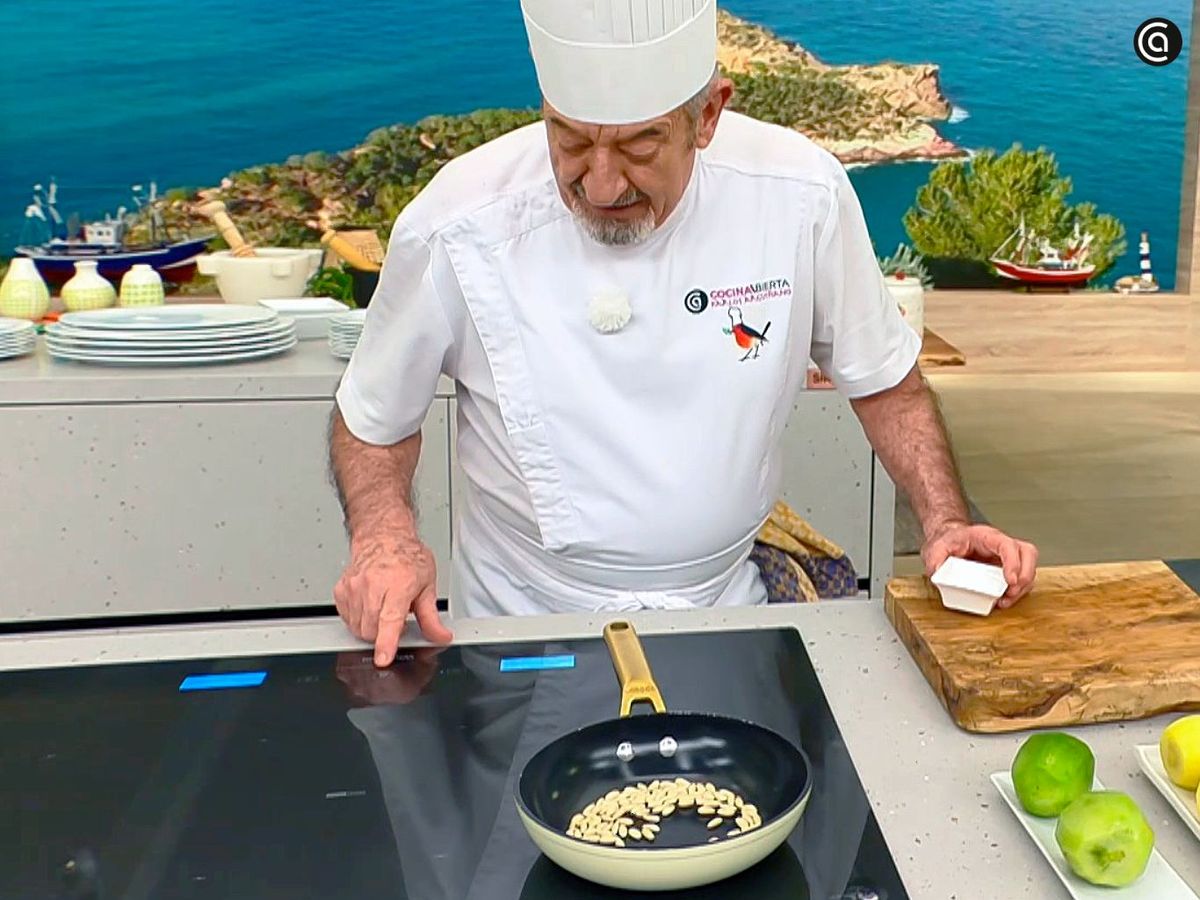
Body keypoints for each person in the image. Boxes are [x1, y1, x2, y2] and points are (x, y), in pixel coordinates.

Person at [329, 0, 1039, 666]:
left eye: (640, 145)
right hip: (528, 623)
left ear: (708, 115)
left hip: (731, 610)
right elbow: (371, 418)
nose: (601, 185)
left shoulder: (801, 193)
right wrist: (385, 540)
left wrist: (945, 523)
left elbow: (889, 385)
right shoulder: (457, 219)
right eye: (570, 140)